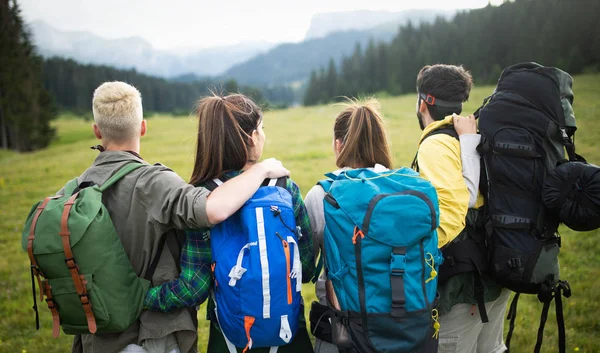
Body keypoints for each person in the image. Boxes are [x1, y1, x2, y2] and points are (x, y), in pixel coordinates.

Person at [70, 82, 290, 353]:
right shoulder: (156, 184)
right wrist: (263, 169)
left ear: (96, 130)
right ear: (143, 127)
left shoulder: (73, 192)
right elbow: (212, 211)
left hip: (97, 336)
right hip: (153, 335)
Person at [143, 93, 315, 353]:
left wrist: (143, 297)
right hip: (288, 333)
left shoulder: (202, 199)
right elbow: (306, 268)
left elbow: (194, 287)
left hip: (230, 338)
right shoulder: (284, 189)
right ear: (252, 137)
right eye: (262, 128)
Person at [413, 64, 511, 353]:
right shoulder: (475, 133)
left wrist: (417, 253)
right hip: (495, 271)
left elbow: (457, 206)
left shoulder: (436, 144)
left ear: (422, 103)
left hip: (463, 288)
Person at [305, 98, 392, 353]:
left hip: (340, 330)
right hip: (400, 325)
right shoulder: (403, 190)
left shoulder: (322, 195)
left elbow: (305, 266)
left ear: (338, 144)